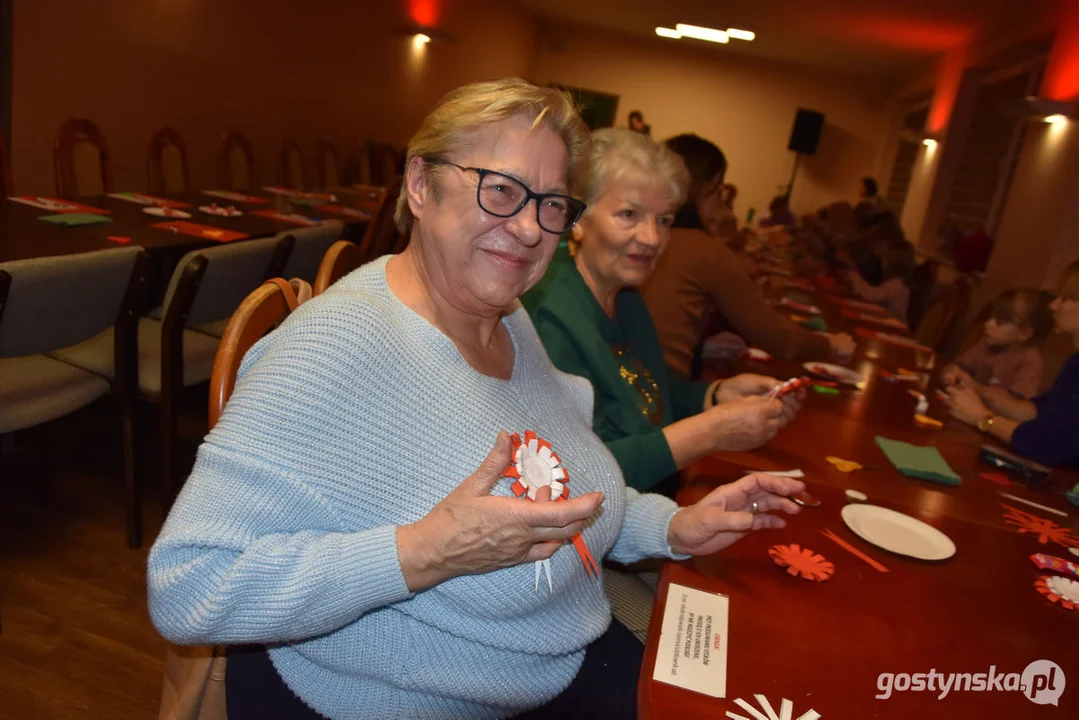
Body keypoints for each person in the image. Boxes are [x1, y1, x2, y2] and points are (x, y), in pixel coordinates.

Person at [146, 79, 806, 719]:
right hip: (414, 697)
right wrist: (428, 550)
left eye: (552, 203)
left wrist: (669, 526)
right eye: (500, 190)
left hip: (550, 662)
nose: (528, 229)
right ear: (419, 185)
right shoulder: (335, 345)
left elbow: (561, 482)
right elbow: (189, 586)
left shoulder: (506, 316)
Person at [530, 128, 804, 496]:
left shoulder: (626, 297)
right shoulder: (550, 317)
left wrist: (718, 395)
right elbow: (576, 471)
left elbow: (649, 396)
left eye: (664, 220)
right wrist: (712, 432)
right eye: (629, 214)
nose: (653, 238)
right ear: (577, 218)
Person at [638, 133, 855, 378]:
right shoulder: (703, 248)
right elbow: (772, 334)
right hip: (659, 396)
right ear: (705, 188)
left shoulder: (640, 235)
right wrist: (830, 346)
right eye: (718, 191)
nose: (721, 201)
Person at [944, 261, 1079, 469]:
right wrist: (980, 392)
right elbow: (1041, 412)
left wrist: (983, 418)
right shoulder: (1075, 362)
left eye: (1066, 299)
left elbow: (1047, 444)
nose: (1054, 305)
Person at [941, 288, 1053, 399]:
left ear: (1025, 333)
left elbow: (1013, 407)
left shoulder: (1030, 364)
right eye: (991, 317)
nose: (988, 324)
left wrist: (976, 388)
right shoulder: (988, 344)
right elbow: (958, 366)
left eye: (1000, 322)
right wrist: (951, 374)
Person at [848, 239, 914, 320]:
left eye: (885, 257)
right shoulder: (897, 282)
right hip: (890, 320)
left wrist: (854, 274)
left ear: (894, 262)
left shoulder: (897, 284)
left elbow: (871, 295)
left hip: (896, 324)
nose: (882, 260)